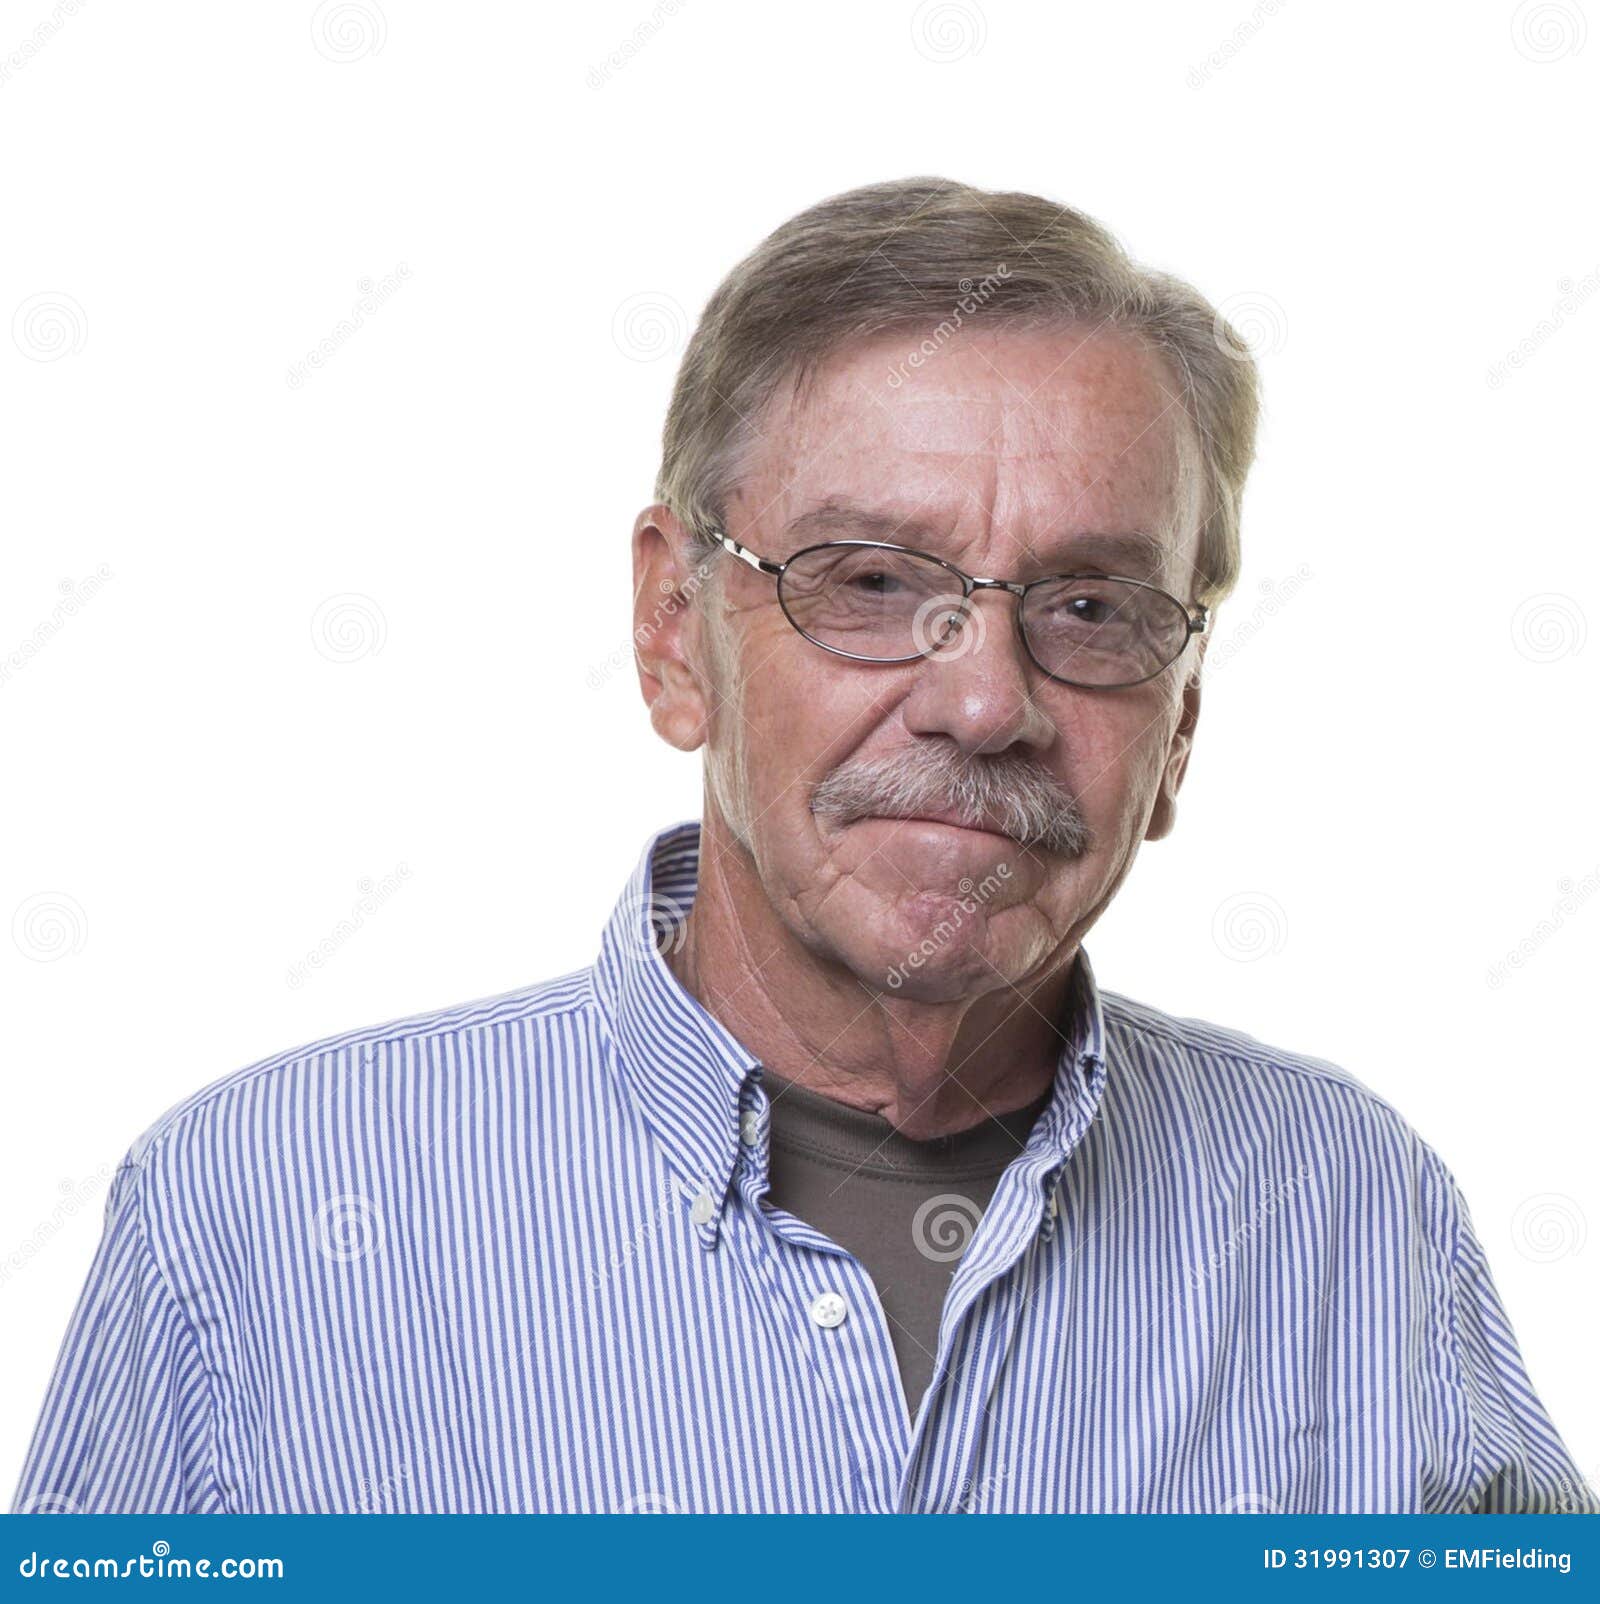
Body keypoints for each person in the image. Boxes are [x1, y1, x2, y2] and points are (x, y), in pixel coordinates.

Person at [15, 178, 1594, 1514]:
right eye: (867, 579)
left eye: (1094, 609)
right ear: (672, 629)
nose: (985, 700)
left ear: (1180, 720)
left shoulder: (1351, 1216)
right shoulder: (253, 1218)